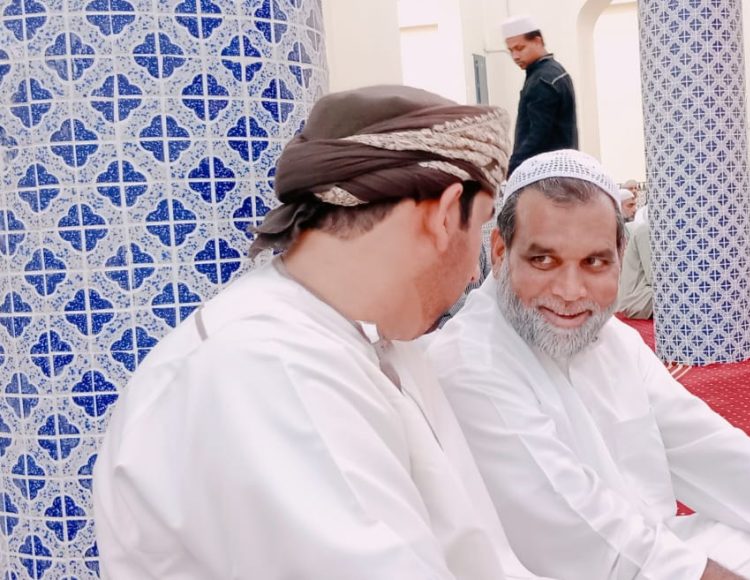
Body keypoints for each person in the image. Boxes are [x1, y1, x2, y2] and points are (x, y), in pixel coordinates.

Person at [94, 85, 547, 579]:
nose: (475, 273)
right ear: (444, 214)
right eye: (478, 226)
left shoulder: (354, 339)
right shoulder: (269, 368)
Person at [428, 149, 750, 580]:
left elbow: (711, 449)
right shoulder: (470, 362)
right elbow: (581, 533)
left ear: (619, 258)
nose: (571, 292)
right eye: (544, 261)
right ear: (500, 252)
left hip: (654, 548)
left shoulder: (611, 340)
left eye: (595, 263)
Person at [617, 221, 750, 333]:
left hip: (668, 294)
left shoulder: (680, 228)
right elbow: (659, 279)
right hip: (642, 299)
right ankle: (745, 308)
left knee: (712, 283)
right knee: (708, 292)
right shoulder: (648, 230)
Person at [502, 15, 578, 174]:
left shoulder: (542, 80)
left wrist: (513, 168)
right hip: (562, 170)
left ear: (537, 41)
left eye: (520, 48)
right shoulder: (555, 72)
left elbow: (537, 136)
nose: (515, 56)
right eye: (511, 51)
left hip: (545, 174)